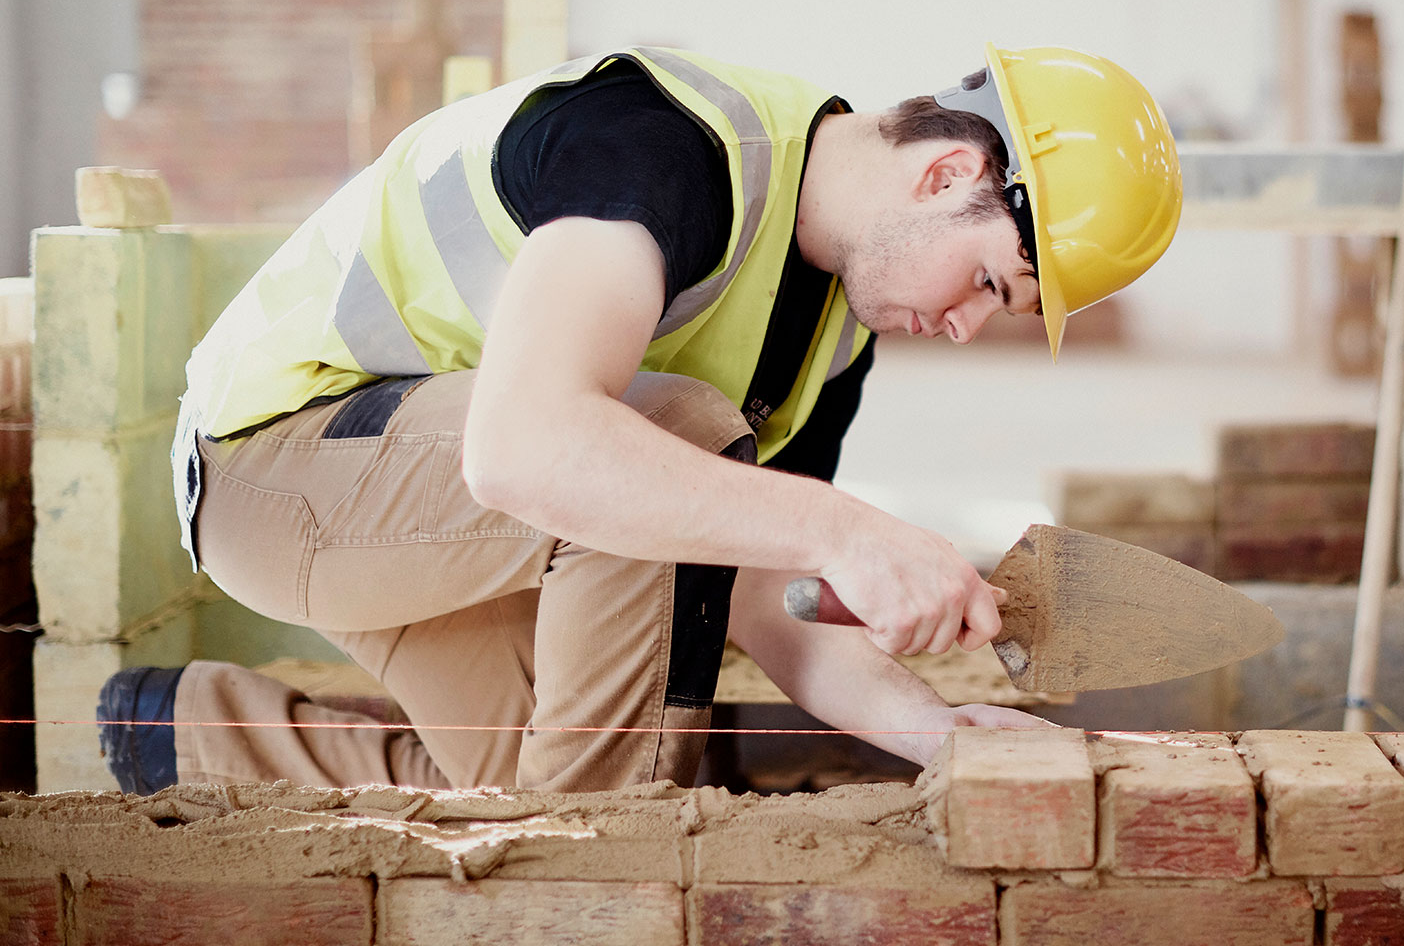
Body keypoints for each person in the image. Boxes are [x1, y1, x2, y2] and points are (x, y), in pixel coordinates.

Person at [96, 42, 1182, 794]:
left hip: (441, 520)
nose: (964, 326)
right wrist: (851, 530)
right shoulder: (668, 150)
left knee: (521, 778)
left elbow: (765, 590)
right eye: (992, 283)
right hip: (279, 464)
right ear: (949, 171)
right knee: (672, 444)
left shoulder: (834, 341)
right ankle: (598, 876)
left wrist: (938, 734)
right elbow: (525, 447)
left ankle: (191, 731)